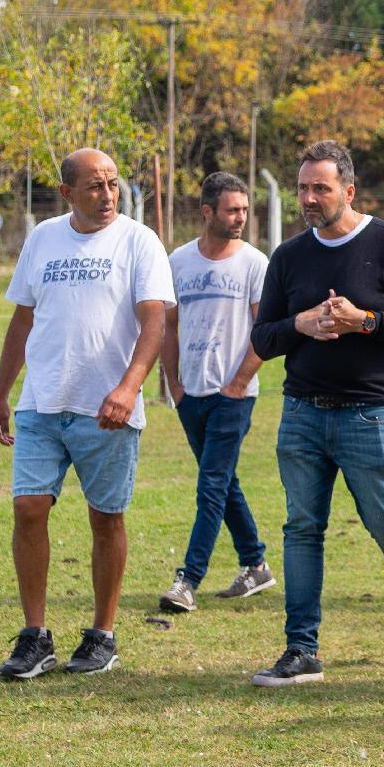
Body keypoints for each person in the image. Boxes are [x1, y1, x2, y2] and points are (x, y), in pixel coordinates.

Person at [247, 140, 384, 687]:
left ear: (349, 191)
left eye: (321, 188)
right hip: (302, 413)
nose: (309, 198)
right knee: (301, 528)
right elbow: (263, 338)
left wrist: (364, 321)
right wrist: (302, 325)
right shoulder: (288, 256)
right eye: (303, 188)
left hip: (371, 414)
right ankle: (301, 648)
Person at [0, 147, 174, 680]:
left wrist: (129, 389)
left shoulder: (140, 241)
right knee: (28, 509)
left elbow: (154, 324)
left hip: (106, 410)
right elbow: (23, 320)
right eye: (95, 186)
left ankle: (102, 635)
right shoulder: (44, 237)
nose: (108, 195)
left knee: (105, 517)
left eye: (113, 183)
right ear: (67, 193)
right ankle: (35, 637)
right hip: (42, 405)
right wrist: (2, 394)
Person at [158, 172, 275, 613]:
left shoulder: (254, 264)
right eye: (233, 210)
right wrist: (174, 384)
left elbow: (264, 331)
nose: (241, 217)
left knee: (210, 485)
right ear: (208, 212)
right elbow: (167, 326)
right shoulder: (179, 262)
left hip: (235, 395)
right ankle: (256, 564)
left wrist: (238, 383)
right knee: (223, 483)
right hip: (191, 394)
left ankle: (187, 580)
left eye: (245, 209)